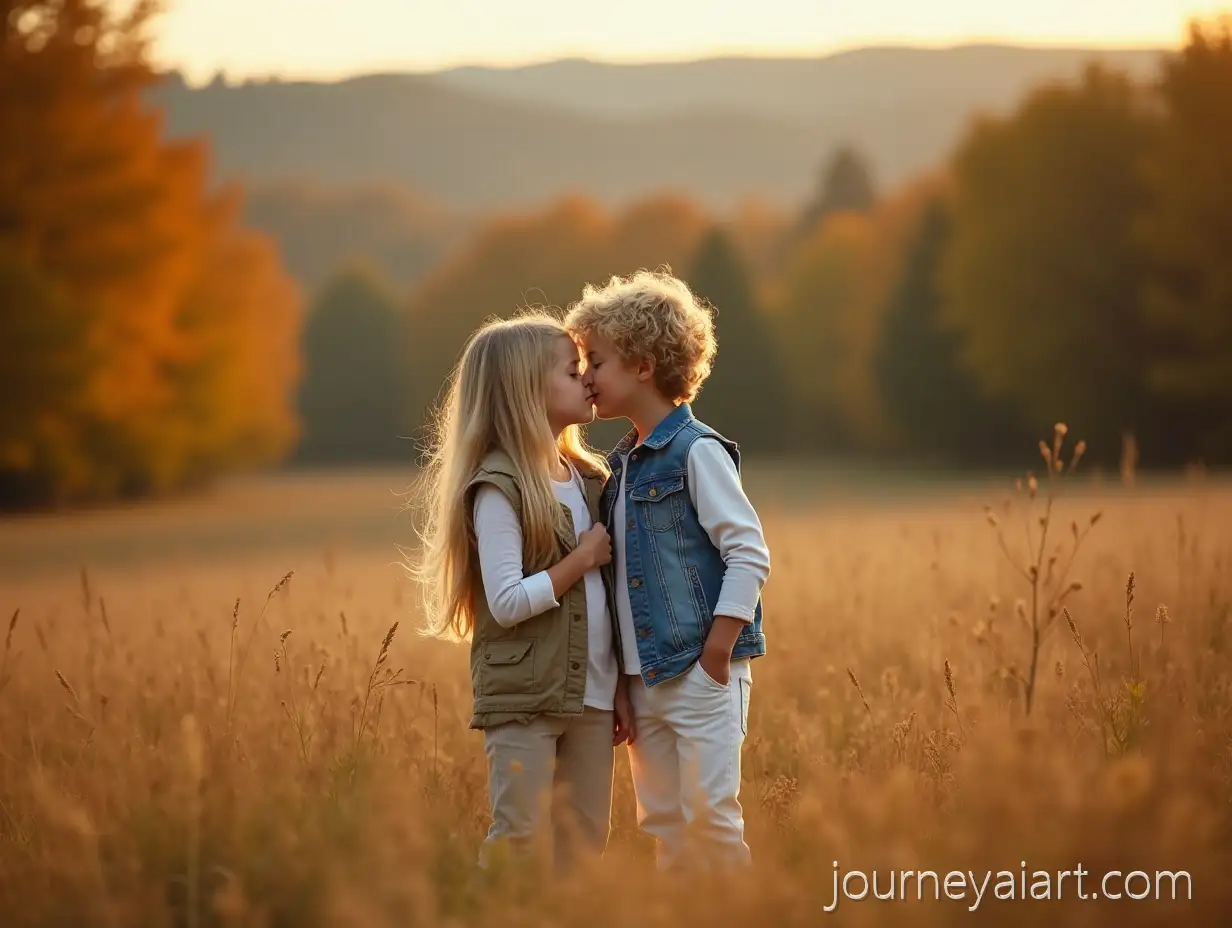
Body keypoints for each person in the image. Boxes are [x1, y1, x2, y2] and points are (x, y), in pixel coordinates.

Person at [410, 312, 634, 874]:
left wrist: (621, 688)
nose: (586, 380)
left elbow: (608, 602)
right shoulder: (498, 487)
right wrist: (579, 560)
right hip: (525, 695)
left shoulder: (588, 479)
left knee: (583, 841)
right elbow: (506, 601)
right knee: (520, 841)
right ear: (525, 392)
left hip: (593, 692)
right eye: (570, 370)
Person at [565, 269, 771, 870]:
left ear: (643, 366)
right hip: (645, 681)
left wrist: (716, 655)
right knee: (665, 825)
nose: (586, 378)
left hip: (700, 672)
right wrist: (625, 684)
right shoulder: (623, 465)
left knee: (711, 823)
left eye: (596, 362)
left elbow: (749, 553)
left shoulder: (696, 452)